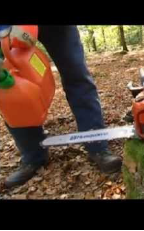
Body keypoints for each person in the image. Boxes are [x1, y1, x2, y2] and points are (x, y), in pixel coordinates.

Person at [0, 25, 122, 188]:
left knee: (77, 75)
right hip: (8, 30)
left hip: (59, 29)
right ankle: (32, 156)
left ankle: (97, 145)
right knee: (10, 89)